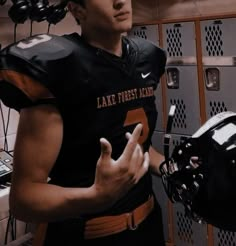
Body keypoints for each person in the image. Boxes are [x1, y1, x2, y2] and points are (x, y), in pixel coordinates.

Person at [0, 0, 167, 245]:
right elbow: (24, 200)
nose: (121, 1)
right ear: (77, 9)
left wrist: (169, 167)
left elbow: (138, 148)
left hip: (148, 224)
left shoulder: (145, 57)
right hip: (88, 233)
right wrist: (95, 196)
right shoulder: (61, 67)